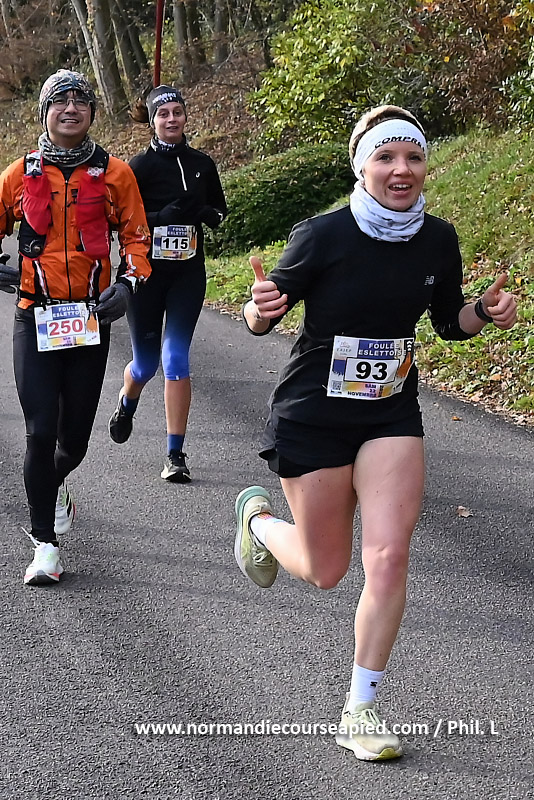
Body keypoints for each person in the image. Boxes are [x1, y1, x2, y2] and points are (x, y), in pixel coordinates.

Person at [234, 105, 517, 761]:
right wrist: (258, 308)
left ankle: (360, 709)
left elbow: (447, 322)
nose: (401, 169)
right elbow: (263, 311)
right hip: (314, 413)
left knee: (388, 557)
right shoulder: (323, 234)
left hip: (390, 412)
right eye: (386, 157)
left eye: (413, 157)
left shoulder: (438, 239)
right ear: (362, 166)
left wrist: (482, 311)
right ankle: (258, 523)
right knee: (326, 570)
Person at [0, 69, 151, 586]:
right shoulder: (19, 174)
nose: (71, 108)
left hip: (88, 321)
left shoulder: (115, 174)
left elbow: (137, 237)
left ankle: (51, 484)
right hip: (34, 317)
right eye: (59, 101)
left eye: (80, 101)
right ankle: (45, 544)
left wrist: (128, 284)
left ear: (91, 113)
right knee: (40, 430)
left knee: (74, 442)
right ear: (45, 112)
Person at [108, 85, 227, 483]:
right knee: (145, 365)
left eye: (178, 111)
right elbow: (119, 220)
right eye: (164, 113)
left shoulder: (202, 164)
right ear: (152, 121)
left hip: (187, 275)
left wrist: (207, 213)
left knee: (176, 359)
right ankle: (127, 401)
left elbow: (220, 210)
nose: (172, 119)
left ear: (185, 117)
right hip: (146, 276)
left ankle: (175, 454)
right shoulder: (137, 168)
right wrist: (161, 218)